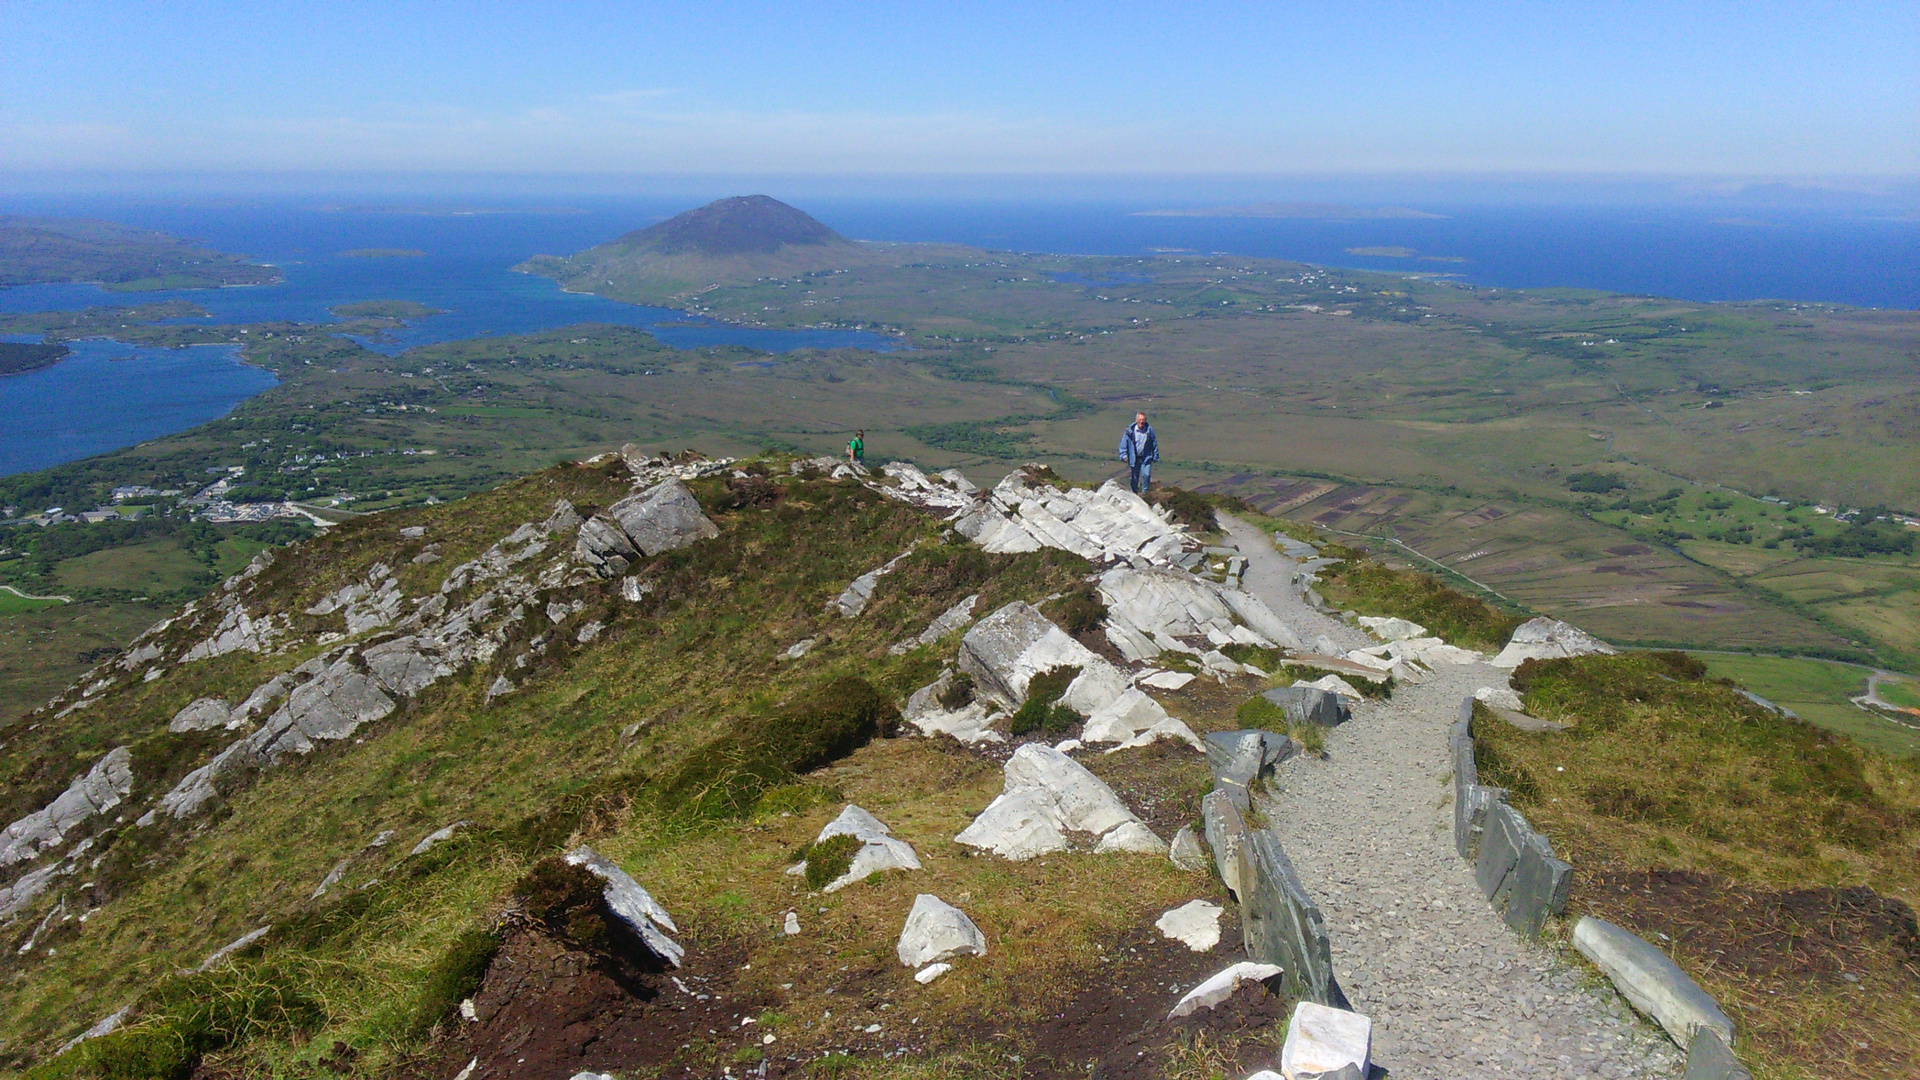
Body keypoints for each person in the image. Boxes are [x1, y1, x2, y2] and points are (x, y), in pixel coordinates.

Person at [1118, 412, 1158, 494]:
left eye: (1143, 420)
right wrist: (1123, 455)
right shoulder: (1130, 431)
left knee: (1146, 475)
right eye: (1140, 420)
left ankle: (1144, 493)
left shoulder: (1149, 431)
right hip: (1134, 457)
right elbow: (1123, 443)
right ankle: (1134, 493)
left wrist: (1155, 455)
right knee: (1134, 477)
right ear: (1136, 420)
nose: (1141, 422)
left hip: (1146, 457)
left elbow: (1154, 443)